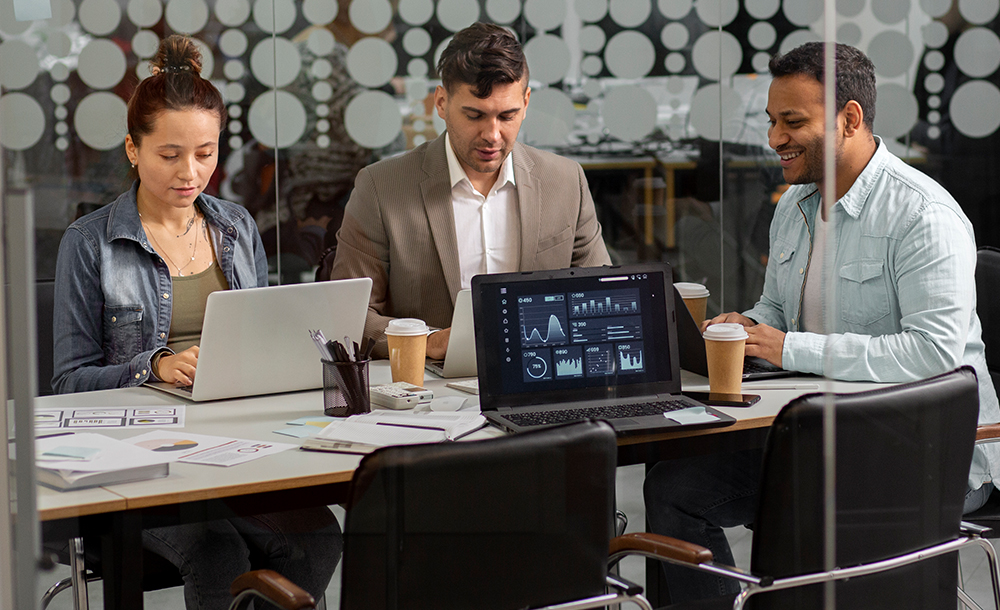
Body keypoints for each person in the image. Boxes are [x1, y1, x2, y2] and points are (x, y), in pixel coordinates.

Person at [643, 42, 1000, 603]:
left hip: (926, 451)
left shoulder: (923, 215)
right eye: (771, 121)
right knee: (675, 486)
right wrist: (747, 328)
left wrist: (789, 348)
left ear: (850, 119)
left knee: (792, 503)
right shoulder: (795, 205)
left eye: (793, 122)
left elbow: (934, 356)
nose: (773, 138)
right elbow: (779, 314)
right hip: (820, 435)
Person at [51, 35, 340, 609]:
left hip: (234, 446)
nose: (191, 172)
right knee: (215, 552)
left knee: (317, 536)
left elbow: (261, 345)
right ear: (133, 150)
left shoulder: (235, 228)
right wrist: (152, 365)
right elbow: (67, 383)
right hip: (136, 458)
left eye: (206, 153)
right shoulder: (89, 243)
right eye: (169, 155)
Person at [329, 22, 611, 359]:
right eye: (475, 115)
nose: (492, 135)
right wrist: (429, 343)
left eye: (508, 116)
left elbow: (602, 300)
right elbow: (351, 320)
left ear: (527, 101)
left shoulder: (565, 182)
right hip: (431, 394)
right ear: (441, 102)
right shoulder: (382, 188)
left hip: (542, 378)